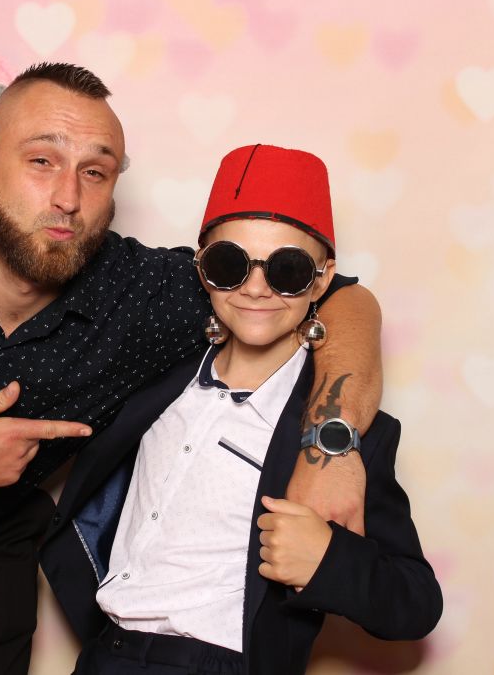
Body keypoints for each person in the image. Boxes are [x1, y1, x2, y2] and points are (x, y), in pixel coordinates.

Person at [0, 63, 381, 675]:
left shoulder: (144, 292)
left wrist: (333, 446)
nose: (67, 198)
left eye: (94, 171)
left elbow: (341, 298)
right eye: (40, 161)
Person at [37, 145, 442, 675]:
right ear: (201, 266)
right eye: (229, 263)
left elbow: (415, 603)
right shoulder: (158, 375)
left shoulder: (338, 435)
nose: (254, 288)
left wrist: (327, 561)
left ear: (322, 280)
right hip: (103, 656)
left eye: (288, 270)